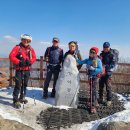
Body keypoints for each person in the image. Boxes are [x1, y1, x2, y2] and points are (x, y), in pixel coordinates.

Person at [9, 34, 36, 109]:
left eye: (27, 40)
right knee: (18, 84)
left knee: (25, 84)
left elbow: (34, 57)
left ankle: (22, 97)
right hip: (19, 70)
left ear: (29, 41)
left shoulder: (31, 49)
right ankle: (15, 100)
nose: (26, 41)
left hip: (27, 70)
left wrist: (30, 62)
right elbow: (11, 56)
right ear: (22, 40)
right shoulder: (17, 47)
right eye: (24, 39)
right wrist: (19, 62)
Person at [77, 47, 102, 113]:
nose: (91, 53)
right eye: (91, 52)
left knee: (93, 90)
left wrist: (93, 69)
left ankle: (93, 106)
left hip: (95, 77)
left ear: (96, 53)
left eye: (93, 52)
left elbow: (100, 69)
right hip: (90, 76)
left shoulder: (98, 60)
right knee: (91, 89)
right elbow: (80, 61)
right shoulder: (88, 60)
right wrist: (76, 57)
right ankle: (94, 102)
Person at [99, 42, 119, 106]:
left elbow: (113, 64)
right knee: (101, 86)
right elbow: (99, 62)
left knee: (108, 87)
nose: (106, 48)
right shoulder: (102, 54)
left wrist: (105, 67)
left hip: (108, 73)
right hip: (101, 73)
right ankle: (100, 98)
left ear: (109, 47)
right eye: (104, 47)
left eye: (107, 47)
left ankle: (109, 100)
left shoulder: (112, 54)